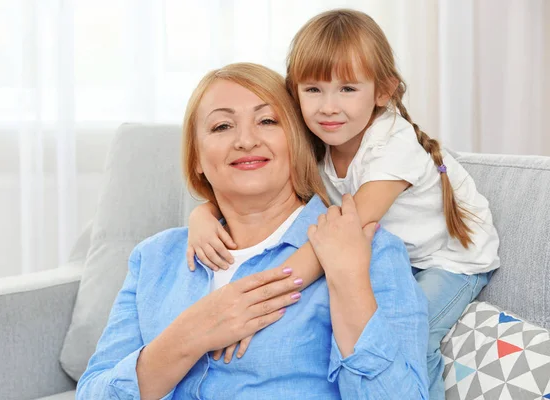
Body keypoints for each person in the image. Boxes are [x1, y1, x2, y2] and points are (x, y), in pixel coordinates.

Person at [186, 9, 500, 400]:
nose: (328, 107)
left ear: (383, 91)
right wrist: (202, 214)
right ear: (294, 92)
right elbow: (252, 187)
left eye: (348, 89)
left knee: (410, 342)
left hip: (447, 261)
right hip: (391, 255)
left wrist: (257, 302)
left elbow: (342, 234)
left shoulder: (393, 148)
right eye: (313, 89)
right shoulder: (319, 140)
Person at [77, 62, 429, 399]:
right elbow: (93, 392)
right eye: (221, 127)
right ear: (196, 158)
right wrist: (188, 335)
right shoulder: (154, 258)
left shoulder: (372, 251)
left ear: (299, 142)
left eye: (267, 120)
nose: (245, 140)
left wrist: (349, 283)